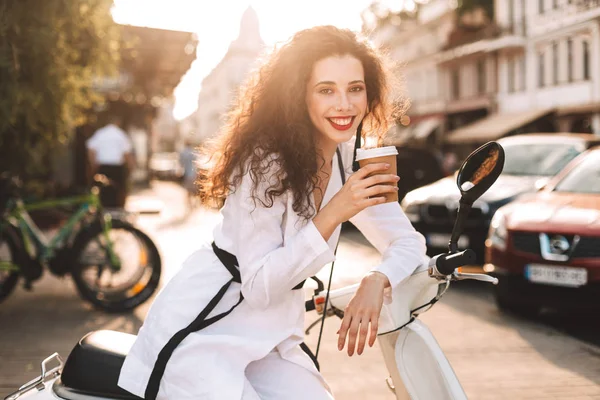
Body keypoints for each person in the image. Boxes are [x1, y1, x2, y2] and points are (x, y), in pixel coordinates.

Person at [118, 26, 426, 400]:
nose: (344, 104)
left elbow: (409, 244)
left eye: (355, 88)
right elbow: (259, 286)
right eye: (326, 90)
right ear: (299, 95)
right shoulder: (263, 164)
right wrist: (335, 210)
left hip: (274, 335)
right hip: (208, 326)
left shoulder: (353, 161)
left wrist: (378, 278)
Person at [86, 114, 135, 208]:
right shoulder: (121, 134)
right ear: (118, 123)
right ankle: (117, 211)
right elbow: (127, 154)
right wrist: (130, 169)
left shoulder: (100, 133)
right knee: (118, 192)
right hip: (117, 169)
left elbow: (90, 149)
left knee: (103, 192)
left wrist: (93, 165)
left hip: (103, 167)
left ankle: (104, 210)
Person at [179, 139, 199, 209]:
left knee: (188, 190)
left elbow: (181, 163)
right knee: (195, 190)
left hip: (187, 174)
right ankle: (195, 203)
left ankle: (189, 204)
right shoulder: (194, 152)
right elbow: (197, 163)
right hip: (194, 174)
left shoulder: (183, 153)